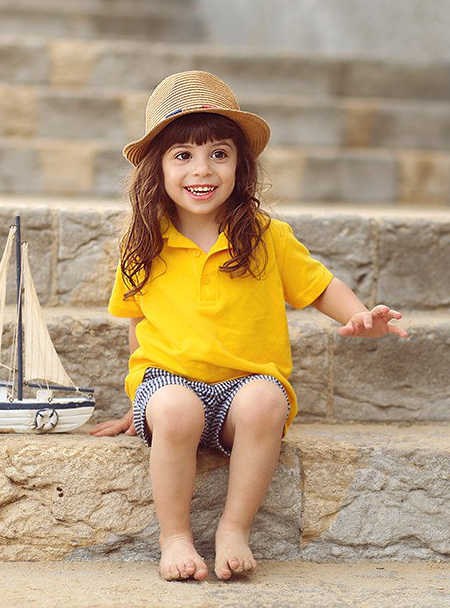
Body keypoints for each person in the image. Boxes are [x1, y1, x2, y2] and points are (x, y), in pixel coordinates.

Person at [89, 70, 408, 582]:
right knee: (172, 407)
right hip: (170, 384)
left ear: (241, 165)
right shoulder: (143, 243)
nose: (203, 169)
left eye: (219, 153)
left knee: (266, 400)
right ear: (158, 169)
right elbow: (139, 322)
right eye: (183, 155)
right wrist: (138, 399)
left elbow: (321, 286)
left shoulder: (266, 236)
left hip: (246, 387)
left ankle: (234, 528)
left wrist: (358, 316)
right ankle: (174, 536)